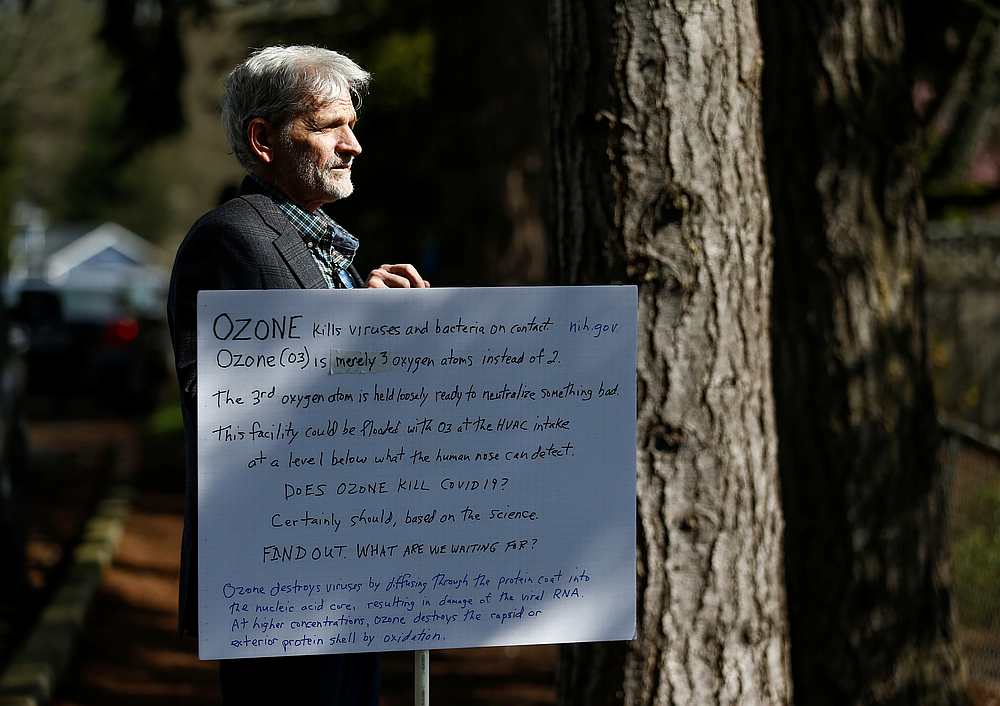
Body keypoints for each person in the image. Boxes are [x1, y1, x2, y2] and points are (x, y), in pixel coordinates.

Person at [167, 45, 428, 704]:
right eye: (330, 126)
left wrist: (376, 318)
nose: (353, 145)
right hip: (276, 576)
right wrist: (353, 323)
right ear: (264, 139)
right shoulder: (229, 239)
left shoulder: (320, 245)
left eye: (352, 125)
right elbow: (220, 407)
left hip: (348, 567)